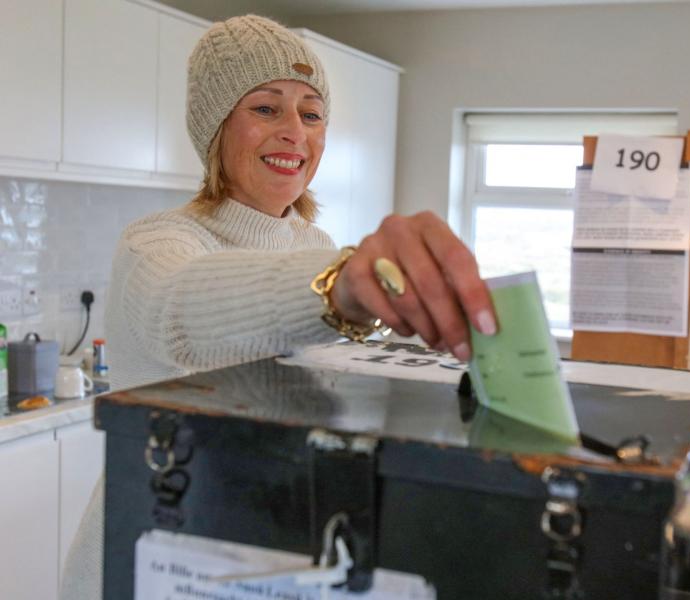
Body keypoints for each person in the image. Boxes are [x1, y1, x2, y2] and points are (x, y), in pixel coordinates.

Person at [60, 14, 496, 599]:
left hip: (261, 551)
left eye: (311, 114)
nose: (296, 132)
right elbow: (182, 303)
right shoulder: (157, 243)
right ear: (215, 129)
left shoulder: (311, 246)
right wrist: (339, 285)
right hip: (152, 553)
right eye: (266, 108)